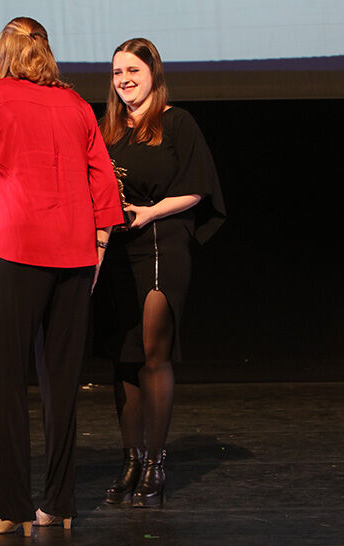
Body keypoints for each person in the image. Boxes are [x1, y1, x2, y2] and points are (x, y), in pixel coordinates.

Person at [0, 17, 124, 536]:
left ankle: (12, 509)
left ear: (8, 53)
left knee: (10, 382)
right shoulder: (77, 104)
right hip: (76, 257)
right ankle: (59, 505)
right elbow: (102, 178)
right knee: (62, 386)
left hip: (22, 254)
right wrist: (98, 246)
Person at [96, 38, 226, 508]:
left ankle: (155, 461)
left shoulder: (176, 122)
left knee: (153, 351)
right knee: (123, 356)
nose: (125, 80)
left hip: (160, 242)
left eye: (133, 70)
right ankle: (130, 459)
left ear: (153, 73)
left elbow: (196, 189)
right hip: (116, 248)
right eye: (116, 72)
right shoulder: (106, 129)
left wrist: (148, 212)